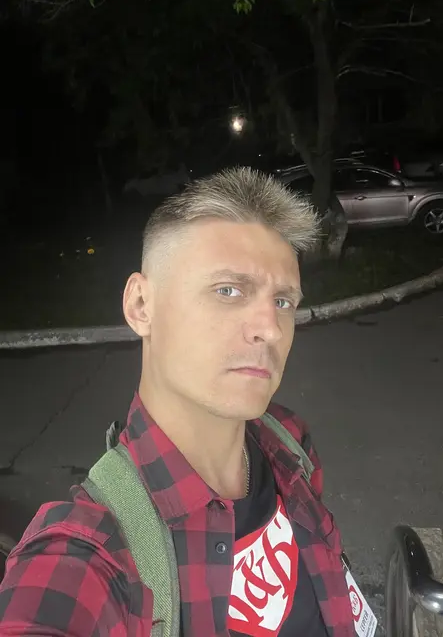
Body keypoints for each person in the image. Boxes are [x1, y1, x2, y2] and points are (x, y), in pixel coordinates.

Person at [0, 167, 355, 636]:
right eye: (228, 290)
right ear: (141, 306)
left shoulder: (289, 443)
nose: (270, 329)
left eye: (283, 301)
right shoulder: (92, 552)